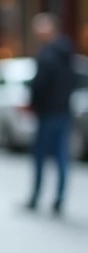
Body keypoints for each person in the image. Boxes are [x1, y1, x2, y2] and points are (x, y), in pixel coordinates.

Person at [27, 12, 76, 215]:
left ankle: (37, 196)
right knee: (61, 157)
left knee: (41, 156)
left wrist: (33, 102)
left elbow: (40, 84)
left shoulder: (48, 54)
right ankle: (59, 199)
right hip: (63, 110)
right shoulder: (67, 51)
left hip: (48, 112)